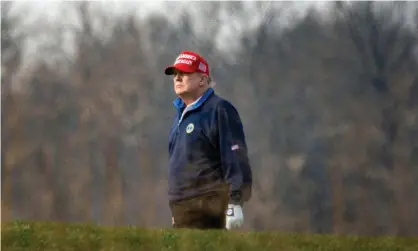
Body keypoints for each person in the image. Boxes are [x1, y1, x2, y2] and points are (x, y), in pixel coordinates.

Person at [164, 50, 252, 230]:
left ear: (202, 80)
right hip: (182, 210)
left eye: (185, 73)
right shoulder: (180, 116)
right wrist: (176, 210)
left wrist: (235, 201)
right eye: (175, 74)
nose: (178, 78)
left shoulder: (219, 110)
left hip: (209, 206)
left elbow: (235, 156)